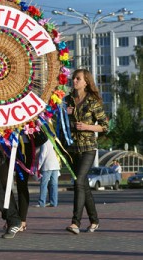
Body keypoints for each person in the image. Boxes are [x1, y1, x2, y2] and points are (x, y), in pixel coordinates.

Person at [65, 68, 109, 234]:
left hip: (88, 148)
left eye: (78, 78)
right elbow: (60, 121)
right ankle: (94, 220)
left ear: (86, 82)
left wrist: (87, 127)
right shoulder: (67, 100)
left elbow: (105, 126)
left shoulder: (92, 101)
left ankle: (75, 222)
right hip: (73, 148)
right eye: (73, 78)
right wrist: (64, 112)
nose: (74, 81)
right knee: (83, 184)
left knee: (78, 181)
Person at [36, 139, 60, 208]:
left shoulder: (45, 142)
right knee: (54, 185)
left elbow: (43, 155)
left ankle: (41, 202)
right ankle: (54, 202)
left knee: (44, 184)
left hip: (47, 165)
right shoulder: (54, 140)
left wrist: (38, 166)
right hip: (56, 165)